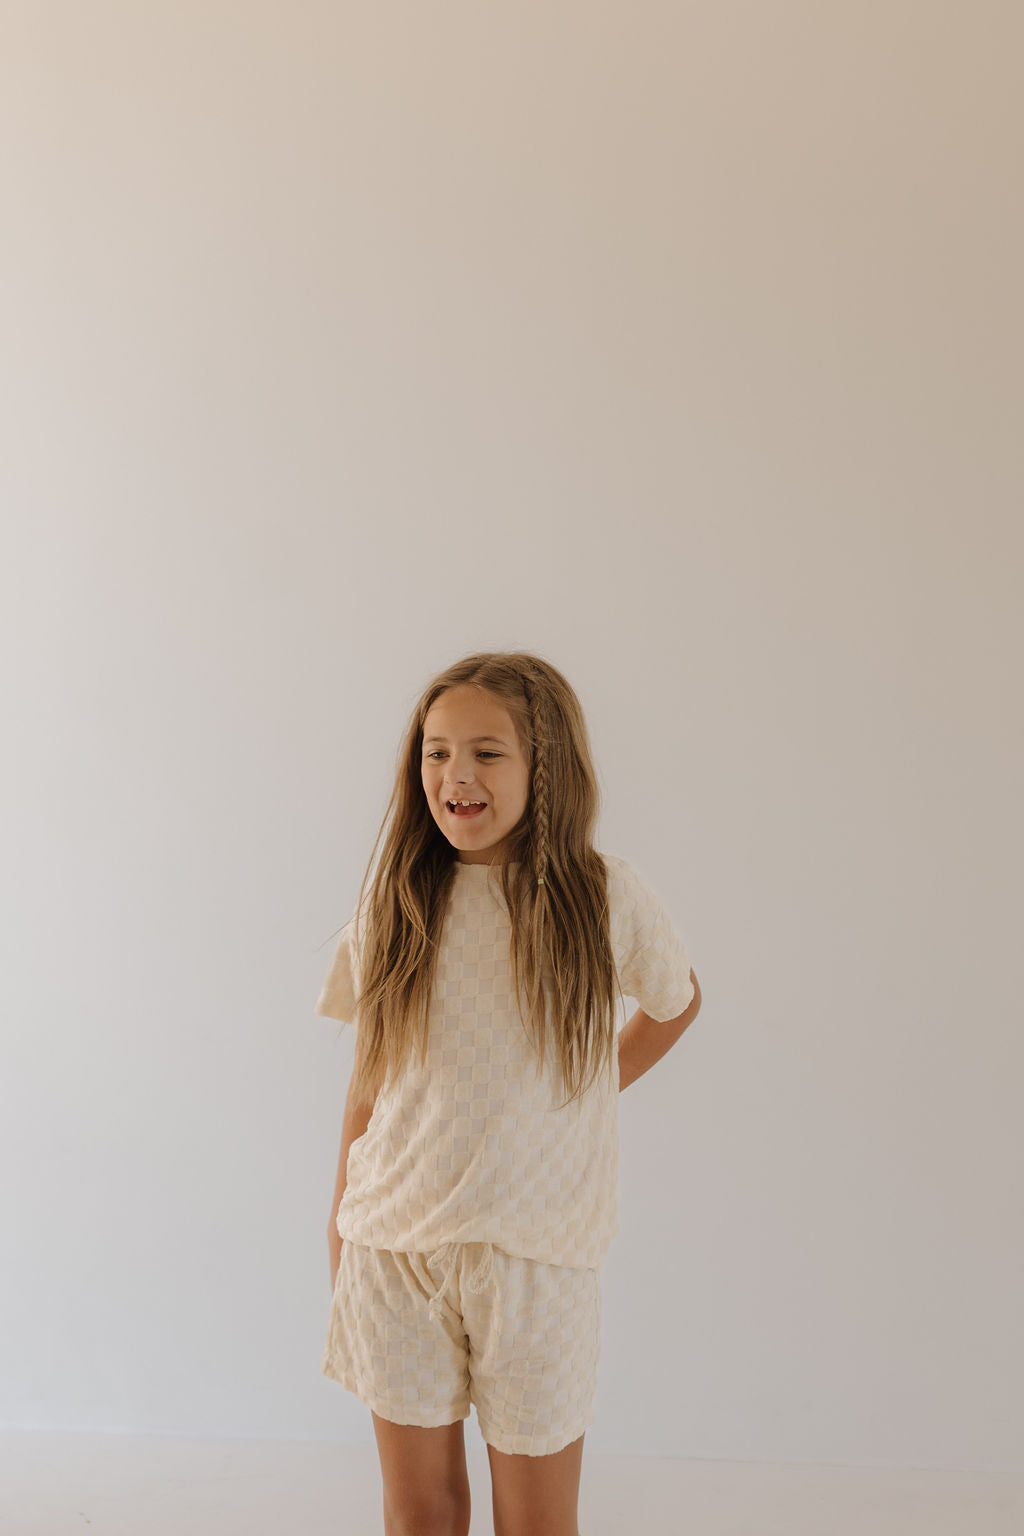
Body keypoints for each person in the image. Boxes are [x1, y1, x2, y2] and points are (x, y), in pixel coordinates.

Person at [313, 651, 702, 1536]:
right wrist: (340, 1228)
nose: (456, 775)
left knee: (535, 1521)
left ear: (545, 766)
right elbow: (367, 1087)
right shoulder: (397, 901)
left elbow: (677, 1002)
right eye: (436, 751)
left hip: (536, 1258)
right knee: (421, 1513)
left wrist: (581, 1090)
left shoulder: (601, 897)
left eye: (487, 753)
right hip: (393, 1250)